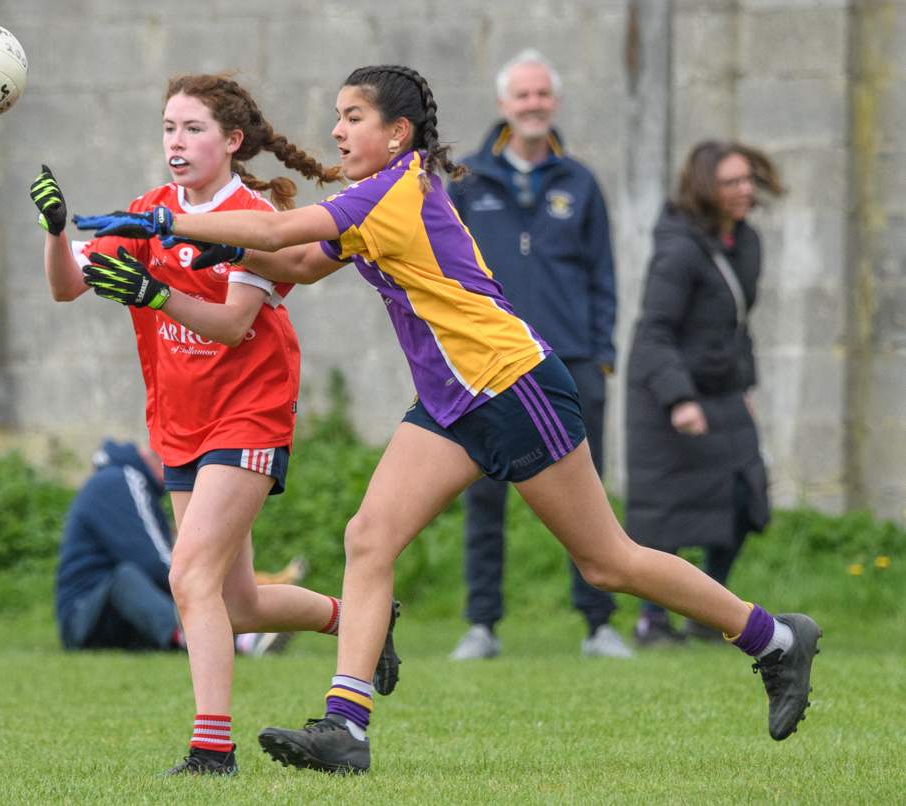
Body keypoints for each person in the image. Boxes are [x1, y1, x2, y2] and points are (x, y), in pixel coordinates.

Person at [83, 64, 821, 775]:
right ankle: (345, 726)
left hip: (507, 384)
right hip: (447, 400)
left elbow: (278, 237)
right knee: (367, 539)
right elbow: (302, 264)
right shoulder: (372, 193)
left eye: (353, 117)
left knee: (607, 562)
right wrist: (168, 257)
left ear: (398, 132)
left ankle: (772, 637)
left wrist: (165, 221)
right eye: (336, 116)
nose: (336, 130)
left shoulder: (394, 192)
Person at [29, 74, 401, 778]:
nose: (176, 141)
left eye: (192, 128)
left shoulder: (248, 213)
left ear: (231, 141)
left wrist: (152, 291)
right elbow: (64, 286)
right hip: (180, 422)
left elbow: (232, 326)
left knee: (188, 576)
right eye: (168, 127)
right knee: (235, 602)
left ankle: (211, 751)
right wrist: (55, 233)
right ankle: (358, 618)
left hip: (248, 413)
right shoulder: (148, 211)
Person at [446, 49, 630, 660]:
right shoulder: (466, 182)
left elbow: (604, 275)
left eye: (542, 95)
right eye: (522, 96)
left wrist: (601, 356)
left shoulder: (579, 182)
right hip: (488, 363)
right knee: (484, 492)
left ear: (554, 103)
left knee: (587, 499)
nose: (533, 105)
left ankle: (599, 625)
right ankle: (482, 625)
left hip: (571, 362)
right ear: (503, 106)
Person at [626, 141, 784, 646]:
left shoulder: (748, 242)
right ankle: (652, 620)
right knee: (665, 515)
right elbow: (654, 332)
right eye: (731, 181)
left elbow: (736, 326)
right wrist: (679, 399)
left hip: (723, 391)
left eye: (748, 179)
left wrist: (746, 385)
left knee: (742, 499)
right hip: (668, 393)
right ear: (705, 189)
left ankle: (707, 609)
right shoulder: (679, 249)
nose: (745, 189)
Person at [55, 439, 298, 657]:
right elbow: (153, 562)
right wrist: (203, 583)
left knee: (169, 581)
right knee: (126, 579)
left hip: (118, 621)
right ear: (153, 459)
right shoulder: (121, 479)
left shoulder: (122, 484)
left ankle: (231, 633)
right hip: (83, 619)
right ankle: (216, 638)